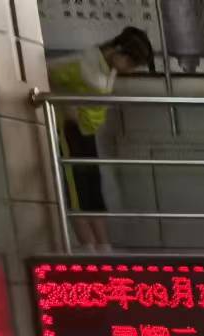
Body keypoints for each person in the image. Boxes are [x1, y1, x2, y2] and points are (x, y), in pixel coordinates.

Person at [46, 27, 154, 251]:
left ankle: (104, 246)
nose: (129, 69)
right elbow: (45, 74)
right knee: (77, 190)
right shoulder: (81, 63)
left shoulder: (107, 68)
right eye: (130, 63)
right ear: (117, 50)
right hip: (70, 130)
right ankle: (88, 247)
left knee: (93, 186)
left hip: (88, 130)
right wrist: (65, 106)